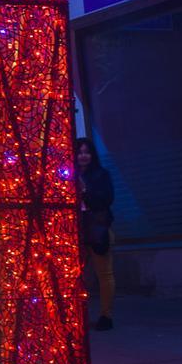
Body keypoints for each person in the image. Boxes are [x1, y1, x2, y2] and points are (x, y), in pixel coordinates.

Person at [76, 137, 115, 331]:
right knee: (76, 275)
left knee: (104, 274)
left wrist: (85, 191)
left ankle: (106, 315)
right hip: (76, 230)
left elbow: (107, 199)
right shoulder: (68, 175)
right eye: (80, 152)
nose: (83, 156)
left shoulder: (101, 175)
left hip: (98, 229)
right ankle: (77, 316)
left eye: (87, 152)